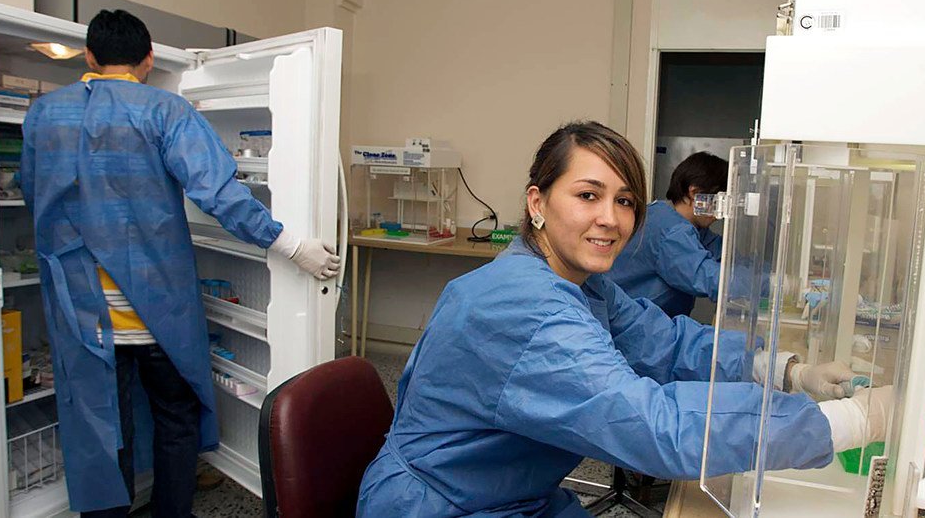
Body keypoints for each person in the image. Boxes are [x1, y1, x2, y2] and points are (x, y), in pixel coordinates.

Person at [356, 121, 892, 517]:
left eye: (626, 200)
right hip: (443, 504)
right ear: (537, 202)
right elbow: (653, 425)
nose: (611, 219)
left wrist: (787, 371)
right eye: (588, 195)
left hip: (510, 492)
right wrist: (844, 423)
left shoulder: (581, 284)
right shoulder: (525, 306)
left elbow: (669, 344)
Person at [20, 10, 339, 517]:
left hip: (81, 312)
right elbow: (220, 195)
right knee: (174, 414)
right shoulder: (166, 111)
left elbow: (32, 193)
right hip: (156, 307)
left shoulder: (43, 114)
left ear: (89, 56)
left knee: (102, 425)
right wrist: (292, 247)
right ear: (148, 59)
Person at [607, 151, 731, 319]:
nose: (718, 213)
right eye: (717, 202)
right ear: (694, 193)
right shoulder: (671, 231)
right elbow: (709, 279)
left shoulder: (668, 214)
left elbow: (724, 251)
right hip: (631, 326)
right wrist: (767, 284)